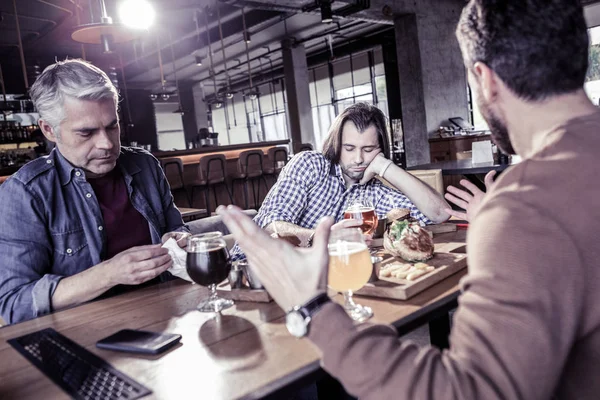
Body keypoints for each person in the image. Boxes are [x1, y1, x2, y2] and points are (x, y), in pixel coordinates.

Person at [218, 0, 600, 398]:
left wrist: (312, 309)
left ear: (485, 80)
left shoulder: (526, 206)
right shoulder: (538, 203)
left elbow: (464, 392)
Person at [0, 59, 189, 325]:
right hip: (85, 336)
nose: (107, 144)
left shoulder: (145, 166)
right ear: (48, 130)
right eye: (86, 133)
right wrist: (109, 274)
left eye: (112, 126)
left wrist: (181, 239)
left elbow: (179, 229)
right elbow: (12, 303)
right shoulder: (26, 193)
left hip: (168, 315)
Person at [231, 103, 450, 258]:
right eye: (349, 148)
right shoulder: (309, 165)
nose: (358, 159)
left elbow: (439, 214)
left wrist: (386, 167)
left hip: (305, 279)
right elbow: (271, 226)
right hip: (248, 268)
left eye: (368, 149)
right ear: (337, 144)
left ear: (380, 150)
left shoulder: (373, 192)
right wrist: (323, 238)